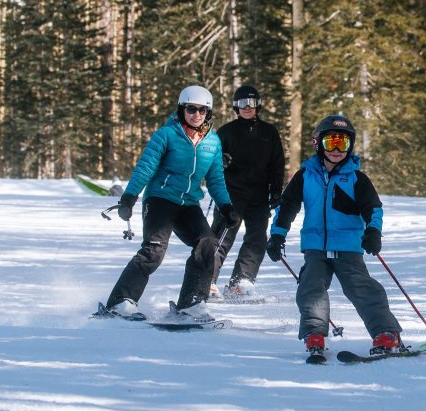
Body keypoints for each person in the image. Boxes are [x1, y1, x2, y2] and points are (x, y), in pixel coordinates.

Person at [265, 114, 404, 357]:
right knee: (310, 287)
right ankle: (314, 334)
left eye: (344, 143)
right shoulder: (305, 176)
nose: (338, 149)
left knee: (362, 288)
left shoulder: (356, 178)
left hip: (348, 247)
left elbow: (374, 208)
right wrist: (277, 234)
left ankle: (386, 333)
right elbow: (287, 206)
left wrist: (373, 231)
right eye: (332, 143)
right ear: (319, 144)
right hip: (315, 247)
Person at [100, 84, 239, 322]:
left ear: (209, 113)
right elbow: (146, 167)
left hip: (188, 204)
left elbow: (215, 179)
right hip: (160, 199)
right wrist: (129, 197)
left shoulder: (213, 142)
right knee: (153, 250)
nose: (196, 114)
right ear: (181, 109)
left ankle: (191, 304)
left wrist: (226, 206)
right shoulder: (166, 134)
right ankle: (120, 302)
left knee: (207, 244)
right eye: (191, 109)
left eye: (202, 110)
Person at [210, 84, 285, 298]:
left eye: (251, 103)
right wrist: (220, 162)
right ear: (235, 106)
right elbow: (211, 160)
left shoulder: (269, 133)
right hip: (231, 193)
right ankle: (207, 279)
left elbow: (276, 164)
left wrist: (276, 191)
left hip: (259, 194)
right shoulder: (226, 131)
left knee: (257, 237)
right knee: (222, 236)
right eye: (242, 103)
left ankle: (241, 281)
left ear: (258, 105)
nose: (247, 107)